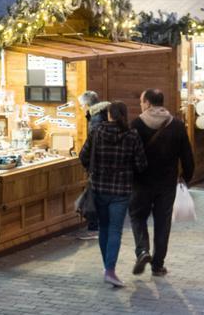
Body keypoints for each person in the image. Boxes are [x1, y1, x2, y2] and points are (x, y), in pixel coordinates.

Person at [129, 88, 194, 278]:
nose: (141, 105)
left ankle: (142, 251)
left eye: (142, 102)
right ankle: (158, 265)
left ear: (148, 103)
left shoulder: (137, 124)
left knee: (137, 216)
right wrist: (187, 177)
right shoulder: (177, 125)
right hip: (166, 183)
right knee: (162, 223)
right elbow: (187, 155)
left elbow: (130, 153)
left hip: (141, 181)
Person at [80, 101, 146, 288]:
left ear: (109, 115)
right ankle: (110, 270)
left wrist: (94, 170)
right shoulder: (132, 135)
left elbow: (83, 156)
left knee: (104, 228)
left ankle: (107, 267)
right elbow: (141, 164)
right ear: (124, 115)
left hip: (99, 187)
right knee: (115, 229)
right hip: (121, 190)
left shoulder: (97, 132)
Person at [77, 91, 105, 237]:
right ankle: (97, 226)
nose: (81, 108)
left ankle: (94, 227)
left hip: (96, 163)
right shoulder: (102, 114)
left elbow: (93, 142)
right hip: (101, 162)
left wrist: (87, 161)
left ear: (87, 104)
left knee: (94, 196)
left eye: (82, 105)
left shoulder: (96, 118)